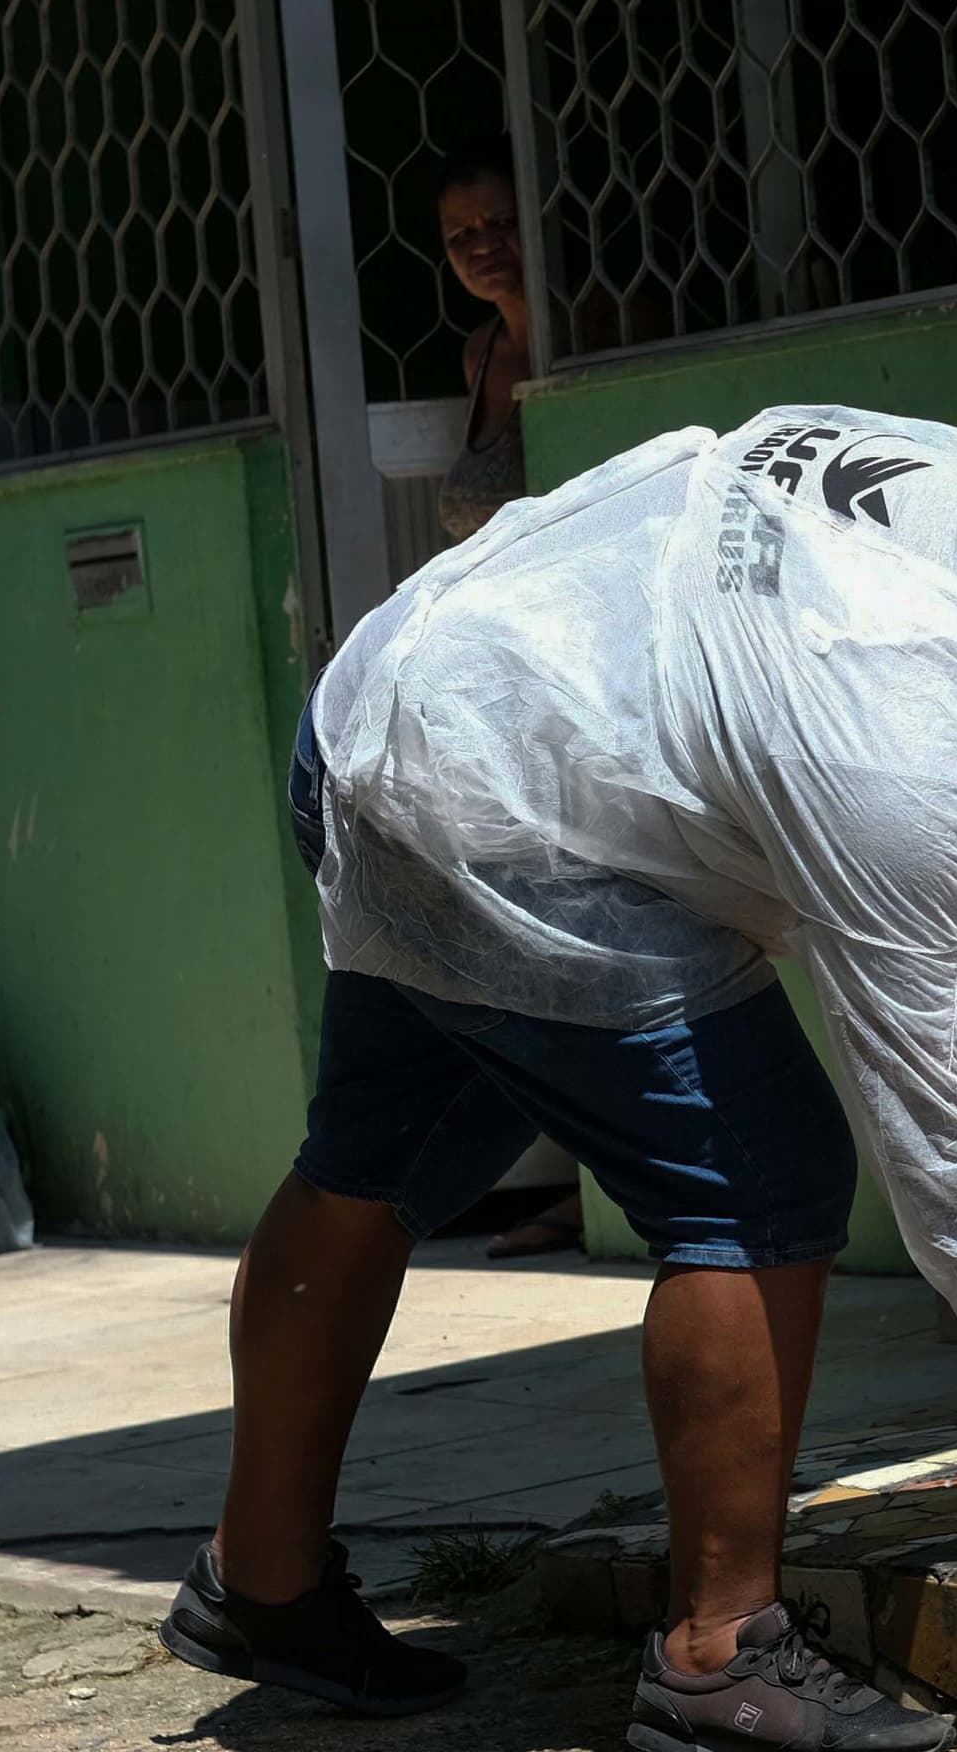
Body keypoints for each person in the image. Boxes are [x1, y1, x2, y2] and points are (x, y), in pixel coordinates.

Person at [174, 416, 957, 1743]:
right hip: (510, 802)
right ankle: (716, 1661)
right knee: (764, 1182)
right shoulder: (907, 732)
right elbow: (937, 1102)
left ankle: (263, 1577)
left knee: (385, 1158)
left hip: (403, 700)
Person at [420, 138, 587, 1258]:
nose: (483, 249)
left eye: (498, 224)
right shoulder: (480, 354)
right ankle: (566, 1171)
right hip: (509, 684)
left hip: (584, 673)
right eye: (459, 236)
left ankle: (601, 1185)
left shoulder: (582, 329)